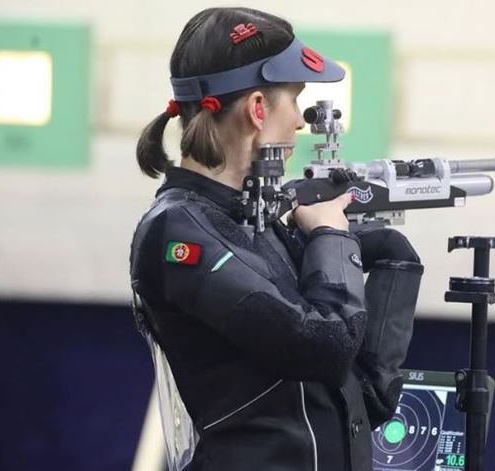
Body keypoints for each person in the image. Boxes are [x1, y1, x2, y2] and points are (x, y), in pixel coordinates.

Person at [130, 7, 424, 471]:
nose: (301, 123)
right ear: (258, 109)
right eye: (296, 100)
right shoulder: (178, 233)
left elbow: (349, 397)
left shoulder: (253, 214)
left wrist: (388, 257)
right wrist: (330, 235)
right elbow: (323, 345)